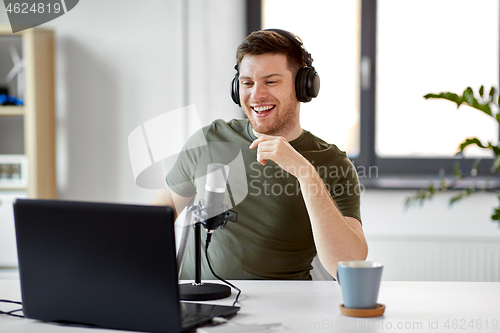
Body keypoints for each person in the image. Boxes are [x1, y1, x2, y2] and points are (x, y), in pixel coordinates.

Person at [151, 29, 367, 280]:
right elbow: (152, 226)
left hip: (281, 310)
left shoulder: (333, 162)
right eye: (247, 83)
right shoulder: (209, 139)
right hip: (200, 304)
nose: (256, 95)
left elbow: (347, 264)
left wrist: (304, 172)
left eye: (271, 81)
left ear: (303, 86)